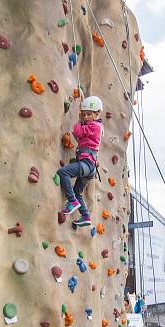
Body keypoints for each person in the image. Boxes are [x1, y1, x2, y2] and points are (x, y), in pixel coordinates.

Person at [57, 96, 104, 228]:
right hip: (89, 167)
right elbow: (79, 137)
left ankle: (72, 201)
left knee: (63, 172)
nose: (86, 117)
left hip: (87, 165)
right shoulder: (93, 125)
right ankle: (85, 216)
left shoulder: (95, 126)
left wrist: (79, 120)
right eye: (84, 114)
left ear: (97, 114)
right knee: (77, 191)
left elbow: (76, 131)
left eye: (89, 114)